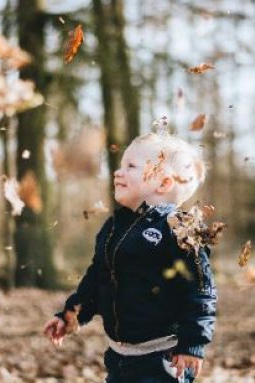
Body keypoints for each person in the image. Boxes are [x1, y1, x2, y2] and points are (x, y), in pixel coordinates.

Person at [43, 132, 217, 383]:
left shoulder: (179, 229)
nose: (117, 172)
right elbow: (97, 278)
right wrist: (70, 315)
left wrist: (193, 343)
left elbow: (201, 290)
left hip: (163, 357)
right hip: (119, 356)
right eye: (121, 165)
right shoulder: (114, 226)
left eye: (131, 166)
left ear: (163, 183)